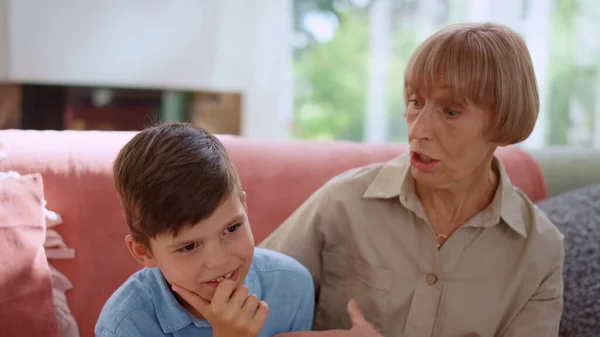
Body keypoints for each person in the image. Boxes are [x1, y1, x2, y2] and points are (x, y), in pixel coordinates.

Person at [260, 22, 565, 337]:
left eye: (450, 112)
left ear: (502, 119)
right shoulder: (342, 202)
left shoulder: (539, 250)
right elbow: (247, 298)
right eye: (416, 102)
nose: (418, 130)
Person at [95, 122, 315, 337]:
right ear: (145, 252)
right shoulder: (122, 326)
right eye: (189, 246)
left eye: (231, 229)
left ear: (244, 207)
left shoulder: (292, 286)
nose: (219, 261)